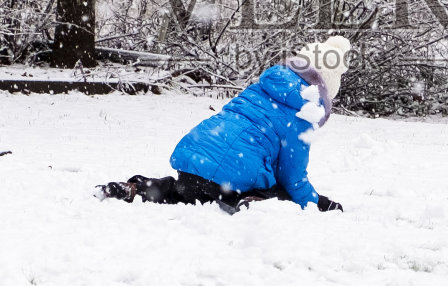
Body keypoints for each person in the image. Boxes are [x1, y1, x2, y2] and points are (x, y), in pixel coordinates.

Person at [95, 36, 351, 214]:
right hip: (233, 177)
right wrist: (317, 203)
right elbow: (292, 177)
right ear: (324, 90)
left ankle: (137, 188)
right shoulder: (305, 110)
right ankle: (253, 202)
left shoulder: (262, 87)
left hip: (194, 157)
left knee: (181, 192)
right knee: (280, 192)